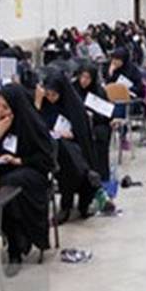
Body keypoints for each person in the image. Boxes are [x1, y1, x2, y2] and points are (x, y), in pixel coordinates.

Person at [0, 85, 56, 273]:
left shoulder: (32, 124)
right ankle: (14, 244)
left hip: (32, 175)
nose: (0, 111)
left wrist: (18, 160)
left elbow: (46, 161)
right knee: (4, 188)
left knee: (8, 187)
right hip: (5, 175)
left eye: (5, 107)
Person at [36, 71, 102, 222]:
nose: (50, 98)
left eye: (54, 95)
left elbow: (82, 134)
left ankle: (69, 204)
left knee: (66, 155)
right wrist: (38, 104)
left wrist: (71, 134)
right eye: (47, 94)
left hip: (72, 147)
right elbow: (36, 127)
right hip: (49, 148)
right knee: (63, 154)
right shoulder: (44, 104)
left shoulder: (73, 106)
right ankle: (82, 180)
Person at [75, 61, 114, 191]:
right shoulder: (73, 90)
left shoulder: (99, 91)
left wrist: (94, 115)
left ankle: (101, 177)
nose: (84, 81)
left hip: (97, 124)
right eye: (82, 77)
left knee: (101, 134)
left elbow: (107, 114)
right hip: (77, 126)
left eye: (88, 78)